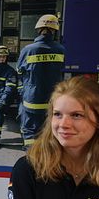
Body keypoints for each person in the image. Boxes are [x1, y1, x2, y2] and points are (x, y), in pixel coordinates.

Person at [17, 14, 65, 149]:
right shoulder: (61, 50)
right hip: (53, 99)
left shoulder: (28, 50)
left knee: (29, 131)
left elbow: (20, 71)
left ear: (39, 29)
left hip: (32, 98)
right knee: (49, 130)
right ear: (54, 30)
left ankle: (30, 157)